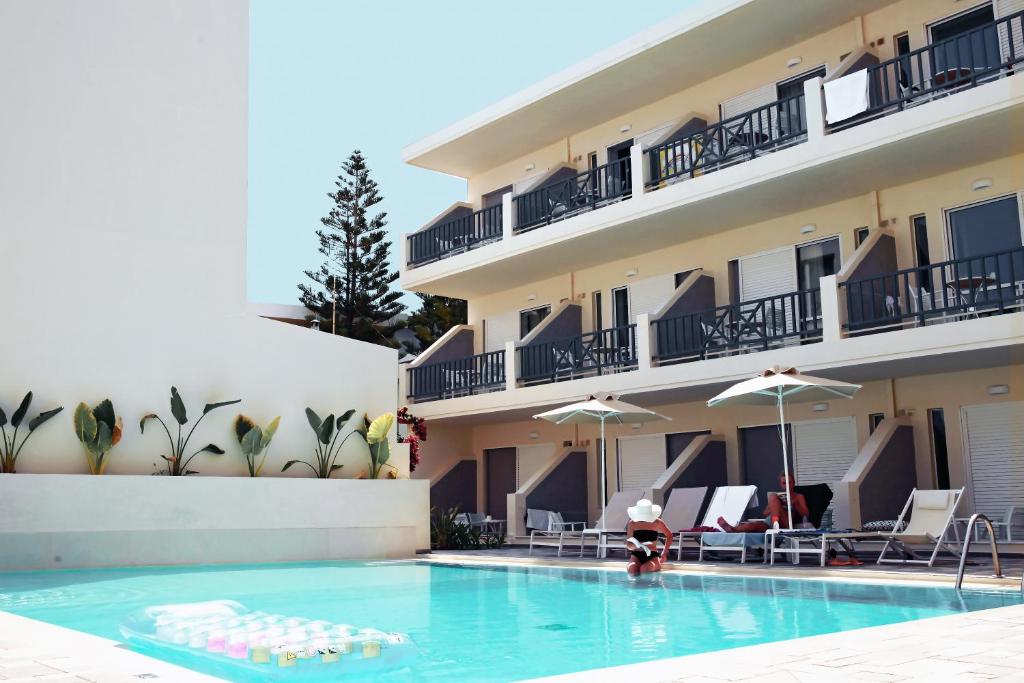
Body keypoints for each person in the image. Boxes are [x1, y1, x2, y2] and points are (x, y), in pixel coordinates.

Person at [717, 473, 809, 532]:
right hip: (769, 523)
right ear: (781, 484)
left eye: (789, 482)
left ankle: (776, 523)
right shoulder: (778, 497)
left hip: (785, 523)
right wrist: (777, 504)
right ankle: (732, 529)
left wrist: (794, 503)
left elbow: (805, 513)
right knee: (752, 525)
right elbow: (765, 513)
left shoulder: (798, 496)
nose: (787, 485)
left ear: (793, 483)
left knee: (773, 497)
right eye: (784, 483)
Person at [625, 499, 673, 576]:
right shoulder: (632, 523)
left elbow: (669, 536)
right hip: (636, 555)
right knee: (632, 569)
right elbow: (628, 545)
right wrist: (636, 545)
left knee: (644, 569)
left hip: (652, 555)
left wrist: (664, 552)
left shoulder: (657, 522)